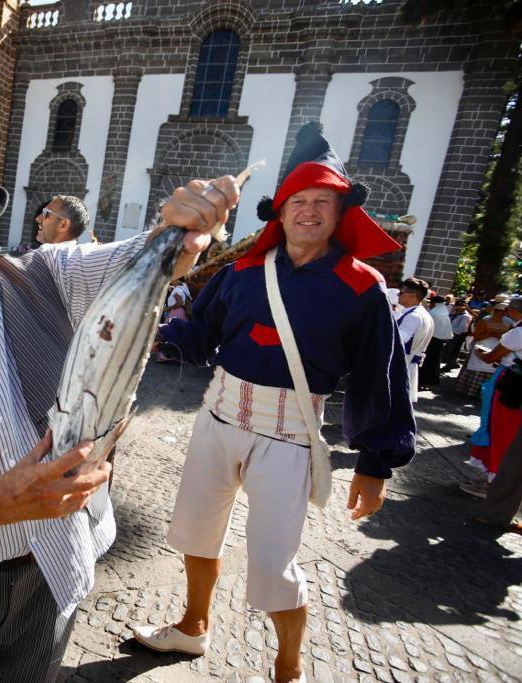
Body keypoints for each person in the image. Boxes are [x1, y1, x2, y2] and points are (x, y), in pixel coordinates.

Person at [0, 140, 232, 681]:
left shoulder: (48, 275)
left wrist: (178, 229)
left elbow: (140, 262)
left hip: (58, 559)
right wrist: (3, 499)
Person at [134, 123, 416, 683]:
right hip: (216, 418)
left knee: (273, 567)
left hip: (289, 436)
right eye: (299, 201)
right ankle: (192, 627)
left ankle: (288, 671)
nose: (309, 211)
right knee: (195, 532)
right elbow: (199, 334)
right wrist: (153, 331)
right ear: (280, 211)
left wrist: (375, 463)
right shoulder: (240, 271)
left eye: (323, 202)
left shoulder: (361, 289)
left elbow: (378, 378)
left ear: (340, 214)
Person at [461, 296, 522, 498]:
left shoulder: (517, 332)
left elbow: (491, 357)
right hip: (513, 382)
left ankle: (492, 483)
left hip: (510, 385)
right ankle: (492, 479)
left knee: (499, 431)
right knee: (506, 433)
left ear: (514, 311)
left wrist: (481, 352)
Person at [457, 297, 515, 398]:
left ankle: (483, 393)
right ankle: (472, 391)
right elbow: (476, 335)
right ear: (495, 311)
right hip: (483, 345)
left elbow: (506, 338)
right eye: (500, 311)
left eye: (503, 311)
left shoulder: (507, 324)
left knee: (490, 369)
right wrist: (489, 335)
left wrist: (498, 336)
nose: (501, 313)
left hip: (495, 348)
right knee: (479, 367)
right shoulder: (486, 321)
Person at [396, 277, 434, 401]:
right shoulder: (424, 314)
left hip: (400, 367)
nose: (398, 294)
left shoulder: (413, 316)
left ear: (412, 295)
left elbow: (396, 342)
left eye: (402, 292)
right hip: (407, 365)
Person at [420, 293, 452, 390]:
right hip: (439, 342)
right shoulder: (444, 314)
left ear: (435, 304)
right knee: (434, 363)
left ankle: (423, 381)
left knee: (427, 362)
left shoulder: (434, 314)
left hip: (431, 340)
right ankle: (429, 383)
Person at [443, 300, 473, 371]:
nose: (457, 309)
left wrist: (448, 327)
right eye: (457, 307)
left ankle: (449, 366)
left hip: (458, 337)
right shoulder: (454, 314)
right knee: (449, 351)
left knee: (453, 352)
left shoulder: (466, 317)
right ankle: (454, 363)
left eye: (459, 307)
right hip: (450, 335)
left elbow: (460, 330)